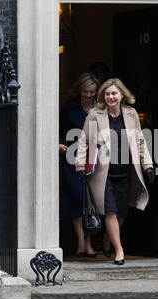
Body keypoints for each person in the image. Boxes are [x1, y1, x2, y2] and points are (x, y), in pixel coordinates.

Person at [75, 78, 155, 265]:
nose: (110, 97)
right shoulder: (95, 114)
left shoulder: (131, 114)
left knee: (121, 214)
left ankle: (107, 238)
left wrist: (148, 166)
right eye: (107, 94)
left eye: (114, 93)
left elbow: (140, 141)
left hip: (125, 171)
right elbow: (83, 140)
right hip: (104, 173)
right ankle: (120, 251)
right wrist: (80, 165)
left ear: (122, 95)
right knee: (110, 212)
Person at [59, 73, 100, 258]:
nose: (89, 95)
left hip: (95, 157)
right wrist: (58, 143)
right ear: (79, 90)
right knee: (76, 199)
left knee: (91, 200)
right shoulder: (69, 108)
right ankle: (81, 241)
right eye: (86, 92)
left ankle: (89, 243)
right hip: (73, 156)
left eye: (92, 91)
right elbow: (57, 127)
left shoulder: (101, 107)